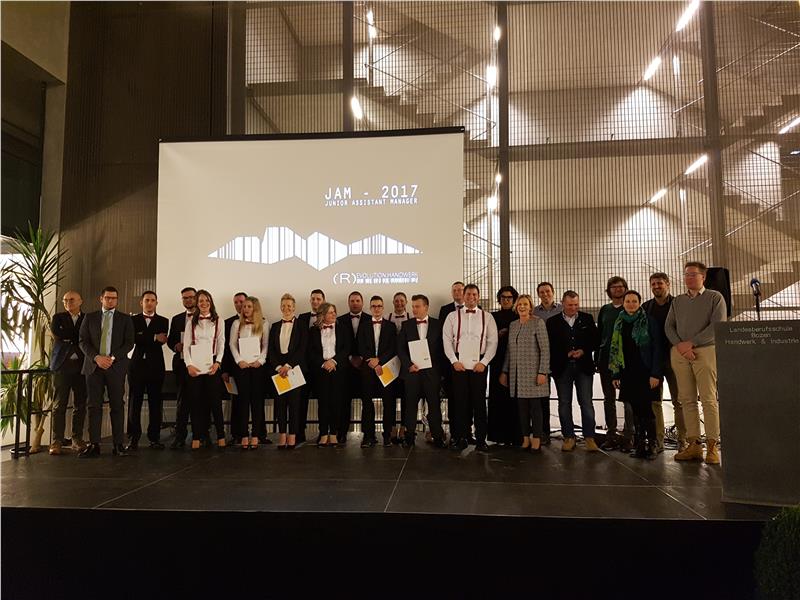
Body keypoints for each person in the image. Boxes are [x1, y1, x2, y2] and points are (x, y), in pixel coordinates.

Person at [665, 261, 727, 464]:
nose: (688, 278)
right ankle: (694, 445)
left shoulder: (715, 297)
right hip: (680, 353)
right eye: (686, 274)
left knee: (708, 399)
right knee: (687, 399)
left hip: (705, 351)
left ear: (703, 276)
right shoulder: (678, 301)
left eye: (693, 274)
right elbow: (669, 326)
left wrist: (692, 343)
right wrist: (680, 346)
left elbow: (717, 324)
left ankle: (712, 446)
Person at [78, 286, 135, 457]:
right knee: (93, 406)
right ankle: (94, 444)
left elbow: (129, 343)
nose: (111, 301)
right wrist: (96, 357)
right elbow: (83, 341)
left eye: (114, 298)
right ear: (101, 298)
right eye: (108, 297)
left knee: (117, 405)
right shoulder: (90, 317)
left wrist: (111, 358)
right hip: (94, 367)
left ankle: (118, 444)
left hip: (115, 367)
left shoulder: (125, 319)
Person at [442, 283, 498, 452]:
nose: (471, 297)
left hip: (478, 364)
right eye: (468, 294)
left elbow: (493, 342)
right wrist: (454, 361)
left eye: (474, 294)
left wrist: (484, 362)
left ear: (478, 297)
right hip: (458, 363)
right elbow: (446, 340)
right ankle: (461, 438)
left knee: (479, 402)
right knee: (460, 402)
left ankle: (481, 440)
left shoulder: (487, 317)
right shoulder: (452, 316)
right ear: (463, 296)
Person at [610, 291, 664, 459]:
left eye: (634, 301)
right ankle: (640, 445)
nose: (631, 304)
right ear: (623, 303)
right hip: (628, 373)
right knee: (635, 410)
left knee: (646, 410)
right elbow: (616, 349)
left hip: (646, 372)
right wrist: (616, 374)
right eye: (628, 301)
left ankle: (652, 445)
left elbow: (658, 348)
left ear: (640, 303)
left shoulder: (649, 321)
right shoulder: (619, 321)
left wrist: (655, 373)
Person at [546, 291, 600, 452]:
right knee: (564, 403)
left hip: (584, 367)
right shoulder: (552, 322)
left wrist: (583, 350)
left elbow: (595, 340)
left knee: (586, 402)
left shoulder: (587, 319)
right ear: (562, 303)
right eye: (570, 305)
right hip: (562, 368)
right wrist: (565, 354)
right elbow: (549, 345)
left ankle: (589, 437)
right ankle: (569, 436)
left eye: (576, 304)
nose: (573, 308)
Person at [499, 294, 550, 452]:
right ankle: (525, 438)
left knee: (535, 408)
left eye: (525, 304)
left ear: (530, 307)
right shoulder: (513, 325)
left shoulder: (538, 322)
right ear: (516, 307)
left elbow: (545, 349)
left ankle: (537, 438)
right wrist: (505, 371)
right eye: (520, 304)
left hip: (534, 372)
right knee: (522, 408)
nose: (522, 307)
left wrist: (543, 372)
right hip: (517, 374)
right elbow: (509, 351)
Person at [642, 272, 686, 452]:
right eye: (653, 284)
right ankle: (658, 441)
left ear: (668, 284)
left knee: (679, 401)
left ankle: (683, 441)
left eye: (659, 283)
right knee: (655, 402)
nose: (656, 287)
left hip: (676, 358)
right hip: (655, 362)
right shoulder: (646, 307)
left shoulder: (679, 305)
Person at [397, 294, 446, 448]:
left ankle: (437, 436)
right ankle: (409, 437)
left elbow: (442, 349)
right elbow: (400, 348)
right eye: (413, 306)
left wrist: (439, 371)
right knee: (410, 405)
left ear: (426, 307)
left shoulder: (438, 324)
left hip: (432, 373)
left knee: (434, 405)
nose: (414, 309)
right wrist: (408, 365)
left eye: (417, 306)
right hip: (413, 372)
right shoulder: (406, 325)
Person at [183, 289, 226, 450]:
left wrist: (218, 363)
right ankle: (196, 436)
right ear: (197, 303)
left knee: (215, 401)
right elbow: (186, 346)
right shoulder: (191, 322)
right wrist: (189, 365)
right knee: (196, 401)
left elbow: (221, 343)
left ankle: (221, 436)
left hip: (212, 363)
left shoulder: (219, 321)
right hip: (195, 363)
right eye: (201, 301)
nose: (204, 303)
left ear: (211, 302)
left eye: (207, 300)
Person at [126, 291, 169, 450]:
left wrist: (144, 336)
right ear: (141, 303)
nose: (149, 303)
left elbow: (162, 340)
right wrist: (153, 337)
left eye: (152, 300)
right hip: (136, 366)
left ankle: (154, 438)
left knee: (155, 403)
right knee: (134, 402)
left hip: (156, 367)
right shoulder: (132, 320)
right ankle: (133, 438)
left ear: (156, 303)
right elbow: (133, 338)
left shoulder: (164, 321)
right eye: (146, 300)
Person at [597, 276, 635, 451]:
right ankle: (611, 434)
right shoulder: (605, 310)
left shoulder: (631, 310)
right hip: (606, 360)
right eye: (614, 287)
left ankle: (629, 436)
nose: (618, 289)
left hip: (626, 361)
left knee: (628, 399)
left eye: (621, 286)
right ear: (609, 290)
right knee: (609, 398)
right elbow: (600, 334)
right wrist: (597, 358)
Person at [48, 290, 87, 455]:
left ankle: (77, 439)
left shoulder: (87, 318)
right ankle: (57, 440)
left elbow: (89, 337)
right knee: (59, 405)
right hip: (62, 366)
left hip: (82, 366)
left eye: (71, 300)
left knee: (80, 404)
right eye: (65, 300)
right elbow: (58, 334)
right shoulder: (58, 317)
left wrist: (71, 337)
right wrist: (78, 337)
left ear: (80, 301)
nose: (67, 303)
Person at [356, 295, 397, 447]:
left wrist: (379, 361)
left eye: (379, 306)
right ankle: (368, 436)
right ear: (370, 308)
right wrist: (372, 362)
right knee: (367, 403)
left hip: (386, 368)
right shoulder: (363, 326)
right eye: (374, 306)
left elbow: (393, 348)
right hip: (368, 368)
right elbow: (360, 346)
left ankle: (387, 436)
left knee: (388, 402)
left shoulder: (391, 326)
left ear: (383, 308)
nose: (377, 309)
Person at [268, 293, 308, 449]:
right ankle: (282, 434)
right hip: (279, 371)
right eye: (283, 305)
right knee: (280, 404)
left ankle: (292, 435)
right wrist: (279, 367)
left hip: (294, 369)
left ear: (294, 307)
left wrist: (288, 365)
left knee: (294, 404)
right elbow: (271, 350)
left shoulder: (302, 325)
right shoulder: (275, 326)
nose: (286, 308)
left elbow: (302, 348)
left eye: (289, 306)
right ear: (280, 307)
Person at [230, 296, 269, 449]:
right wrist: (239, 360)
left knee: (257, 402)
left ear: (255, 308)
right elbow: (232, 344)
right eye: (244, 306)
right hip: (242, 368)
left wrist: (260, 360)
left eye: (248, 306)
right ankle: (244, 435)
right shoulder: (236, 324)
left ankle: (256, 435)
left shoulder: (264, 324)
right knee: (243, 401)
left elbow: (265, 345)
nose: (245, 309)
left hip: (258, 367)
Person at [309, 302, 349, 447]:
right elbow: (311, 351)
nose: (333, 314)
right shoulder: (313, 330)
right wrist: (323, 363)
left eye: (334, 312)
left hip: (338, 370)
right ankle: (323, 433)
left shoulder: (343, 328)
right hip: (321, 370)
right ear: (323, 314)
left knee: (336, 402)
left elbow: (346, 348)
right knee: (323, 403)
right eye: (330, 312)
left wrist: (334, 361)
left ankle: (333, 433)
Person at [488, 285, 520, 446]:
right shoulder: (491, 317)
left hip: (516, 362)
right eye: (503, 298)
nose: (506, 300)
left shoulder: (518, 316)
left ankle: (515, 436)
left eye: (509, 298)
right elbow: (486, 337)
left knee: (514, 398)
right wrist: (497, 335)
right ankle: (497, 435)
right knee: (497, 397)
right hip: (496, 361)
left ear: (514, 300)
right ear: (499, 300)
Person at [167, 287, 197, 449]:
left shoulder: (205, 316)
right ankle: (180, 436)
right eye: (185, 298)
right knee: (182, 402)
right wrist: (175, 346)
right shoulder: (177, 318)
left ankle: (201, 435)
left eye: (191, 297)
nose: (188, 300)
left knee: (200, 401)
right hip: (181, 365)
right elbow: (171, 340)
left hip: (200, 365)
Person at [533, 282, 562, 445]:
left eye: (548, 291)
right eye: (542, 292)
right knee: (543, 398)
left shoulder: (562, 310)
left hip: (559, 359)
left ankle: (568, 433)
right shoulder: (534, 312)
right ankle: (544, 432)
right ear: (538, 294)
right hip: (541, 361)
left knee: (564, 398)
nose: (545, 294)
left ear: (553, 292)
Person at [438, 281, 466, 444]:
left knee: (468, 398)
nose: (457, 293)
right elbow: (443, 338)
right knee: (453, 398)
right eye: (454, 290)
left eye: (460, 290)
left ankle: (467, 432)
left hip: (470, 362)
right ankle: (455, 433)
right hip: (450, 362)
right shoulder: (445, 310)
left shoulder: (477, 310)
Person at [336, 291, 365, 446]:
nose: (355, 303)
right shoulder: (339, 320)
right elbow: (338, 343)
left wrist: (362, 357)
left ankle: (368, 434)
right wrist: (348, 357)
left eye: (357, 300)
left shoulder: (369, 318)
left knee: (367, 401)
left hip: (365, 367)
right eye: (352, 301)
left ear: (362, 302)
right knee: (343, 401)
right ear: (348, 303)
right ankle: (342, 433)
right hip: (345, 367)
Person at [297, 289, 326, 444]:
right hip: (304, 367)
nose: (315, 301)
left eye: (318, 299)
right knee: (301, 401)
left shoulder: (329, 318)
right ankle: (299, 432)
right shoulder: (302, 318)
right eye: (313, 299)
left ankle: (323, 432)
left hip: (320, 367)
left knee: (322, 400)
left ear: (323, 301)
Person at [222, 292, 248, 445]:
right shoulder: (228, 323)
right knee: (236, 401)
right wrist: (225, 370)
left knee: (255, 401)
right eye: (236, 302)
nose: (239, 305)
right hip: (234, 368)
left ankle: (259, 433)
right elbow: (225, 348)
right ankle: (236, 434)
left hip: (254, 368)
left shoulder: (260, 321)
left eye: (242, 302)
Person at [387, 291, 411, 443]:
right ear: (393, 302)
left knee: (406, 396)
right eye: (396, 301)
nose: (399, 303)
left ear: (406, 302)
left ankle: (404, 427)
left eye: (402, 301)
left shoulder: (412, 318)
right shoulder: (386, 318)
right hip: (390, 362)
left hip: (406, 362)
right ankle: (391, 427)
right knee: (390, 396)